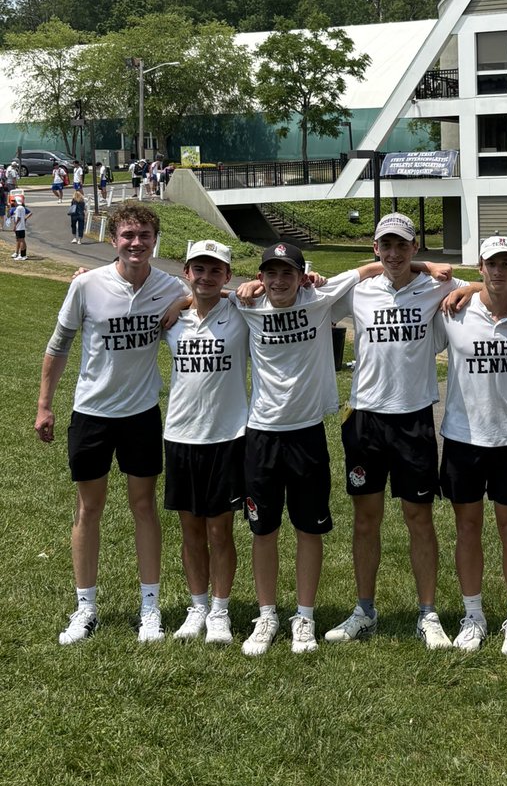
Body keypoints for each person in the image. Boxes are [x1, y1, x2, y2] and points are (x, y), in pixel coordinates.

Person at [34, 201, 188, 644]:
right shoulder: (87, 287)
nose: (136, 243)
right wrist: (45, 405)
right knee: (89, 508)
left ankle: (150, 608)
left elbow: (211, 292)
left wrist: (187, 300)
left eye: (143, 235)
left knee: (144, 507)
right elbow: (58, 346)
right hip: (91, 414)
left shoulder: (170, 286)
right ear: (113, 239)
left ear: (155, 240)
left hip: (140, 414)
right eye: (127, 235)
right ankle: (85, 608)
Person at [233, 242, 383, 657]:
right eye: (271, 273)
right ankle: (266, 615)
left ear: (302, 276)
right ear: (261, 277)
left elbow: (370, 268)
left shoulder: (319, 299)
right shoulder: (247, 305)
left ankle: (305, 616)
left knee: (308, 529)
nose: (279, 281)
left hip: (307, 434)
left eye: (289, 273)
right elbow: (199, 294)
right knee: (263, 530)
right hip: (261, 434)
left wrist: (431, 264)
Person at [326, 213, 466, 650]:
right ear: (375, 249)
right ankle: (364, 609)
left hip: (413, 418)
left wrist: (429, 271)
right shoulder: (360, 289)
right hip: (365, 417)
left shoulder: (436, 288)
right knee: (366, 520)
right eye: (385, 246)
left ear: (414, 247)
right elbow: (319, 294)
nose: (393, 254)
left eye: (401, 246)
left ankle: (428, 613)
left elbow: (481, 288)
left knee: (418, 518)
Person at [434, 235, 507, 657]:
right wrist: (467, 289)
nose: (498, 272)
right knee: (467, 529)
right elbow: (427, 273)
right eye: (491, 264)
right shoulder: (454, 311)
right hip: (462, 437)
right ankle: (473, 615)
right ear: (480, 267)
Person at [164, 240, 250, 646]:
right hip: (180, 435)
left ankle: (220, 610)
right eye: (199, 269)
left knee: (220, 531)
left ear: (227, 276)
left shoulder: (241, 312)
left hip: (228, 436)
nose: (206, 277)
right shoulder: (173, 319)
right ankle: (197, 606)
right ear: (187, 272)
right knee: (190, 529)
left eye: (216, 270)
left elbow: (277, 289)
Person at [11, 195, 32, 259]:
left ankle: (22, 255)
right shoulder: (22, 207)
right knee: (22, 240)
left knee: (21, 240)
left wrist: (14, 226)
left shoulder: (18, 208)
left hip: (19, 227)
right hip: (21, 226)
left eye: (14, 201)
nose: (14, 202)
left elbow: (18, 218)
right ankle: (23, 254)